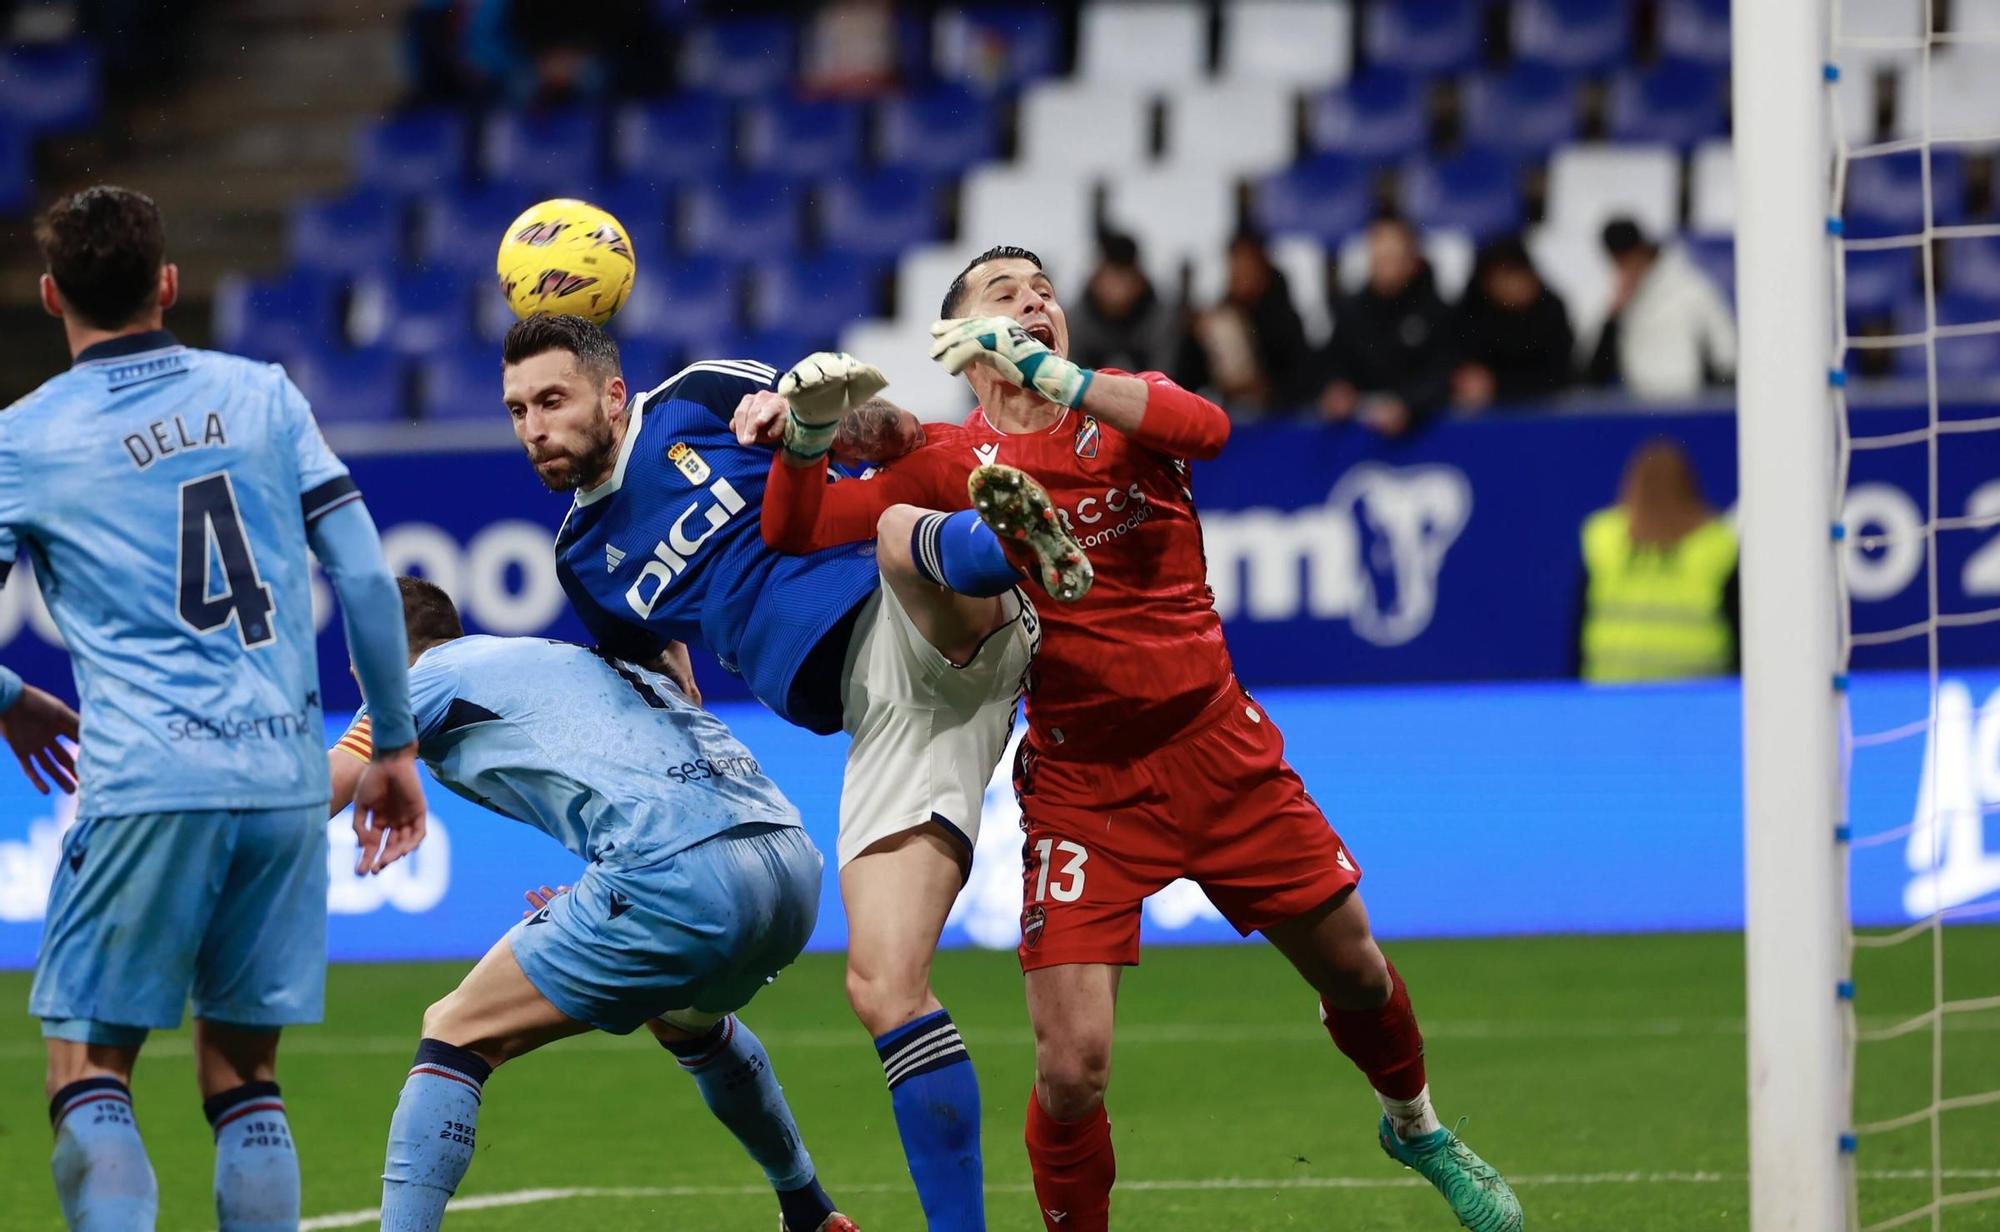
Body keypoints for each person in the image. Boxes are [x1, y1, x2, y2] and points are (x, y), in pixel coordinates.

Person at [753, 245, 1522, 1232]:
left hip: (1214, 746)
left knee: (1355, 968)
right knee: (1069, 1065)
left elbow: (1208, 425)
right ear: (962, 344)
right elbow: (795, 525)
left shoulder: (1120, 406)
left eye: (1040, 292)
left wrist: (1056, 377)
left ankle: (1412, 1124)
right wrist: (808, 435)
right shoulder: (947, 458)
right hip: (1084, 778)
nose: (1031, 301)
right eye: (1002, 295)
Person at [500, 313, 1069, 1231]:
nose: (535, 427)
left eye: (553, 400)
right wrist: (613, 863)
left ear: (611, 394)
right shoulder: (581, 563)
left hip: (919, 602)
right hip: (897, 714)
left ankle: (1009, 542)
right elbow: (667, 706)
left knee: (889, 530)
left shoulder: (695, 397)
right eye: (518, 410)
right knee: (882, 987)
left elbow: (890, 436)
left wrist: (809, 424)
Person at [2, 185, 425, 1230]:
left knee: (86, 1064)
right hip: (283, 783)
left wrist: (10, 698)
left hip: (147, 778)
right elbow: (368, 582)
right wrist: (395, 741)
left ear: (52, 294)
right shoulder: (265, 394)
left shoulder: (24, 436)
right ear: (169, 284)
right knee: (243, 1072)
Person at [325, 578, 857, 1232]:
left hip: (679, 875)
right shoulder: (554, 656)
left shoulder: (423, 678)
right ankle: (807, 1206)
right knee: (683, 1020)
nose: (352, 667)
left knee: (454, 1030)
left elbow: (322, 790)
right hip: (791, 865)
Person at [1576, 438, 1739, 681]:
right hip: (1701, 698)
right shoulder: (1717, 546)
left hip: (1614, 696)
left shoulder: (1603, 539)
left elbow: (1577, 633)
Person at [1312, 214, 1453, 437]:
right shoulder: (1350, 310)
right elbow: (1333, 362)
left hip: (1421, 429)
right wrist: (1337, 388)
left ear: (1412, 260)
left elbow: (1443, 372)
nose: (1384, 265)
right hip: (1360, 434)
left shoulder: (1436, 311)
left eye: (1392, 257)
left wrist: (1408, 405)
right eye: (1379, 257)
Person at [1587, 217, 1738, 398]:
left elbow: (1726, 351)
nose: (1626, 268)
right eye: (1619, 262)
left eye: (1628, 259)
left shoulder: (1689, 286)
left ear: (1641, 251)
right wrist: (1614, 314)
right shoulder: (1610, 295)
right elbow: (1591, 369)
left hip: (1689, 403)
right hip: (1636, 406)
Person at [1179, 228, 1313, 417]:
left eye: (1246, 263)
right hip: (1231, 422)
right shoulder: (1219, 318)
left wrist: (1266, 389)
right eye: (1234, 263)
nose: (1238, 272)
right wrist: (1193, 338)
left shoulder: (1285, 320)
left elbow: (1303, 379)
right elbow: (1188, 380)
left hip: (1277, 423)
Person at [1449, 236, 1575, 410]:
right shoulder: (1469, 313)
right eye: (1503, 277)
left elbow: (1561, 373)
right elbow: (1455, 368)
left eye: (1517, 275)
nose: (1513, 285)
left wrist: (1497, 384)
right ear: (1486, 282)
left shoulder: (1550, 310)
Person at [1066, 232, 1181, 376]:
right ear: (1096, 278)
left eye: (1122, 280)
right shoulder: (1076, 321)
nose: (1114, 291)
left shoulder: (1160, 320)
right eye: (1109, 279)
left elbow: (1166, 380)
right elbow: (1069, 380)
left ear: (1138, 281)